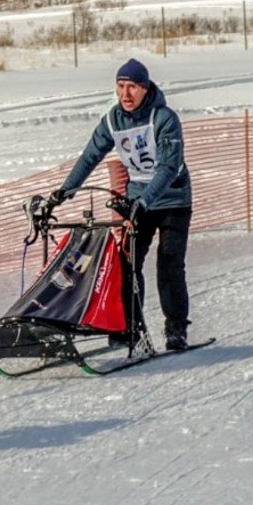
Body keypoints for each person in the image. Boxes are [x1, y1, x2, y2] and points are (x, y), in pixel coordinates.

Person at [50, 59, 193, 351]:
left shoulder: (164, 118)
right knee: (127, 265)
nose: (125, 94)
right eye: (120, 87)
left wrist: (143, 200)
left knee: (169, 265)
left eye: (132, 87)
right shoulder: (113, 120)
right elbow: (90, 157)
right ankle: (130, 328)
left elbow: (169, 166)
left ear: (144, 88)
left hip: (173, 200)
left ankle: (176, 330)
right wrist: (65, 192)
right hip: (137, 202)